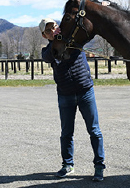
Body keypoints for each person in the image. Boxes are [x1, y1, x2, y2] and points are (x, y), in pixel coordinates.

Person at [39, 18, 106, 182]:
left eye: (55, 26)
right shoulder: (47, 50)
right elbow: (48, 57)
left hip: (85, 91)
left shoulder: (74, 40)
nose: (53, 30)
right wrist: (55, 40)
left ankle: (99, 166)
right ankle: (67, 164)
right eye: (49, 30)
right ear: (44, 35)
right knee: (66, 133)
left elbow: (86, 32)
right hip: (65, 94)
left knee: (94, 130)